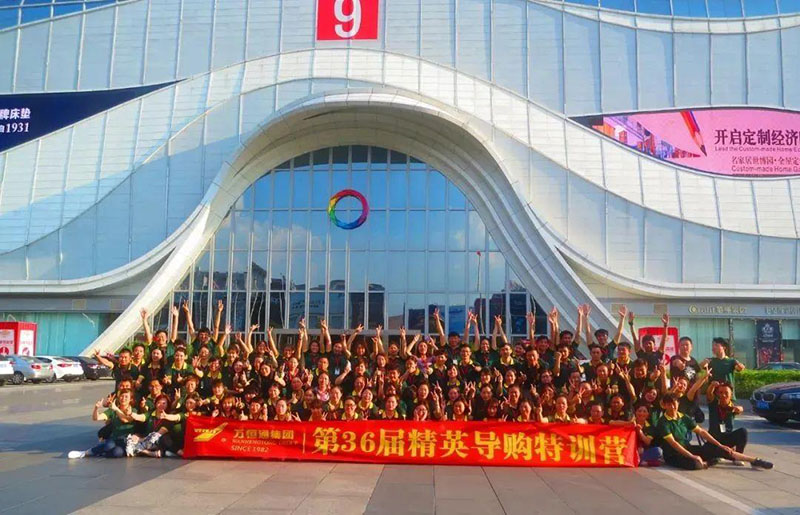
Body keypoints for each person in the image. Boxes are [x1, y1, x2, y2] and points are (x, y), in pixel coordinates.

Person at [656, 393, 772, 470]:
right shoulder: (663, 422)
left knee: (719, 449)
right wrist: (692, 456)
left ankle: (754, 460)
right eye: (669, 404)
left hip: (687, 447)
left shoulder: (683, 417)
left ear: (678, 403)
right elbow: (674, 444)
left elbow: (701, 432)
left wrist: (720, 445)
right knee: (694, 464)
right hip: (673, 454)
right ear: (664, 406)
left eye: (674, 403)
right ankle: (706, 463)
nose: (672, 407)